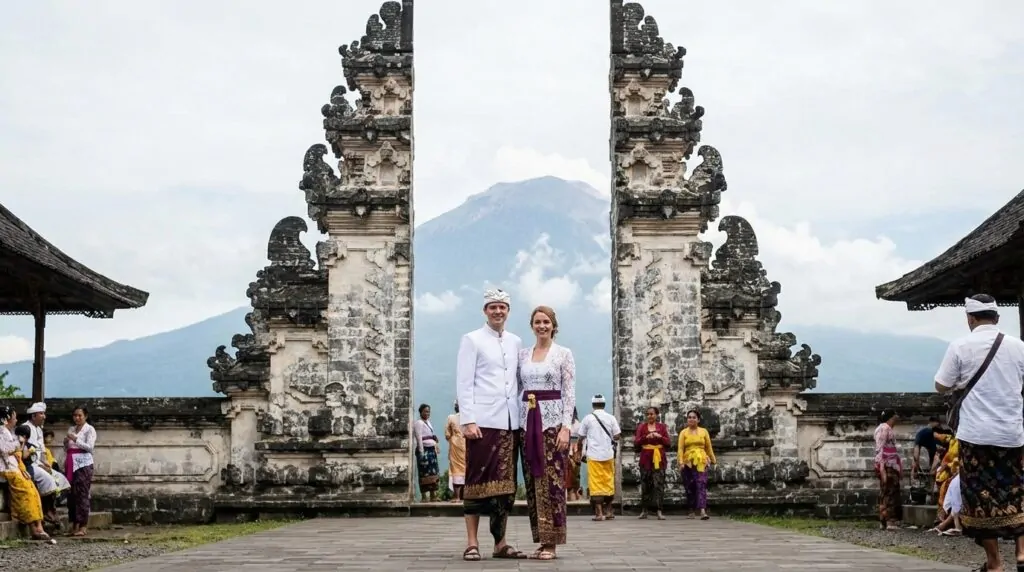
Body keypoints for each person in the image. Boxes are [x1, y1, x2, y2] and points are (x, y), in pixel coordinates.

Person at [934, 295, 1024, 572]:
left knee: (980, 498)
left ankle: (995, 563)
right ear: (997, 318)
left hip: (976, 435)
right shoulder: (1019, 347)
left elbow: (941, 385)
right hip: (1012, 433)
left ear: (970, 318)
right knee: (1017, 491)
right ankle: (1022, 553)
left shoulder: (960, 346)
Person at [455, 288, 527, 561]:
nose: (498, 311)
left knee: (505, 486)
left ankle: (501, 543)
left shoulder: (516, 342)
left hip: (511, 422)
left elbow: (519, 382)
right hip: (482, 423)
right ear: (485, 310)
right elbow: (464, 382)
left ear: (508, 311)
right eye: (493, 307)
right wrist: (468, 419)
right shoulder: (472, 339)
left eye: (503, 307)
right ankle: (472, 542)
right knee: (476, 482)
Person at [518, 305, 576, 560]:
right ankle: (541, 539)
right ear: (532, 326)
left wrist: (566, 428)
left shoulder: (563, 354)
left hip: (552, 424)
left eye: (546, 322)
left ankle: (552, 542)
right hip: (526, 422)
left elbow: (569, 392)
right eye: (537, 322)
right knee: (533, 482)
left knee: (552, 481)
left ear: (554, 325)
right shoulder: (522, 355)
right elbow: (516, 389)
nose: (542, 326)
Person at [0, 406, 51, 540]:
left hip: (16, 467)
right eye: (14, 417)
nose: (16, 420)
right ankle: (34, 528)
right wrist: (19, 443)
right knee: (26, 493)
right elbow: (5, 449)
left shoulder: (9, 433)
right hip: (6, 468)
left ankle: (39, 525)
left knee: (33, 490)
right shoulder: (1, 432)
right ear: (7, 419)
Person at [21, 401, 69, 523]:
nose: (44, 416)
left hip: (39, 463)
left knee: (60, 478)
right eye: (41, 414)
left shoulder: (38, 429)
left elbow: (41, 450)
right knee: (48, 480)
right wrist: (41, 465)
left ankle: (51, 509)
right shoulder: (25, 428)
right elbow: (27, 451)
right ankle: (46, 510)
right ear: (33, 416)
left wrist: (46, 462)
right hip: (30, 464)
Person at [576, 394, 620, 521]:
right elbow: (617, 435)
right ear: (604, 405)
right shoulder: (611, 418)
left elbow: (580, 438)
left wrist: (579, 452)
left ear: (593, 405)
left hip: (594, 455)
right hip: (608, 455)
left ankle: (599, 513)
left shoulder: (588, 419)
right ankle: (609, 510)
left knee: (596, 483)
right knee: (608, 481)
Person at [677, 408, 716, 520]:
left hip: (701, 460)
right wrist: (680, 462)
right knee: (689, 485)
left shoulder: (704, 431)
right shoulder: (683, 432)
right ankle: (691, 510)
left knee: (701, 483)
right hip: (687, 461)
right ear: (687, 419)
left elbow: (708, 447)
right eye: (689, 417)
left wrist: (713, 460)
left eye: (694, 417)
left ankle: (703, 510)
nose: (691, 419)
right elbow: (680, 449)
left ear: (698, 420)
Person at [65, 405, 96, 537]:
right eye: (75, 415)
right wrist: (66, 442)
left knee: (82, 493)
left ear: (85, 416)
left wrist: (75, 439)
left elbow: (90, 447)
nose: (77, 418)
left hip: (83, 463)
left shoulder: (89, 430)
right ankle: (74, 524)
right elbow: (67, 447)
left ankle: (83, 525)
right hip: (71, 461)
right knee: (71, 494)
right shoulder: (72, 429)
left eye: (80, 415)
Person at [633, 406, 670, 520]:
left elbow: (668, 443)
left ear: (657, 415)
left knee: (659, 484)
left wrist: (660, 437)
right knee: (645, 484)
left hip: (658, 457)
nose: (650, 416)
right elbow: (636, 443)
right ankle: (644, 510)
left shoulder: (662, 427)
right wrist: (646, 437)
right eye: (648, 414)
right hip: (646, 458)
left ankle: (659, 510)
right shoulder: (642, 427)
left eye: (652, 414)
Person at [873, 410, 903, 530]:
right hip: (887, 465)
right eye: (895, 415)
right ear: (891, 417)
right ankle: (890, 521)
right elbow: (879, 449)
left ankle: (884, 520)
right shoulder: (884, 428)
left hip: (890, 464)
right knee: (890, 492)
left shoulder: (886, 428)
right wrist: (882, 469)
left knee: (887, 491)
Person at [412, 403, 440, 502]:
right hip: (424, 450)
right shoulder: (418, 423)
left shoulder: (428, 422)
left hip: (431, 449)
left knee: (433, 472)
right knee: (424, 473)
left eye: (428, 411)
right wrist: (421, 452)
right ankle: (424, 496)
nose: (427, 413)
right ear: (421, 412)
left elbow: (430, 434)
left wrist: (434, 440)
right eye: (425, 411)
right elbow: (419, 437)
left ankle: (433, 495)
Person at [444, 401, 466, 502]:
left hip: (455, 445)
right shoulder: (468, 418)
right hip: (466, 443)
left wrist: (451, 439)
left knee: (455, 469)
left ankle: (457, 496)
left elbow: (447, 434)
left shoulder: (451, 417)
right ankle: (465, 495)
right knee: (466, 467)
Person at [911, 416, 942, 482]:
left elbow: (916, 450)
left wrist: (915, 467)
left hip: (936, 452)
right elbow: (916, 451)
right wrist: (915, 467)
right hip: (935, 452)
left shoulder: (922, 433)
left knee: (934, 471)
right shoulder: (925, 433)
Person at [565, 408, 583, 502]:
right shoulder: (578, 424)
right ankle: (574, 494)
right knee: (574, 474)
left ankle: (572, 494)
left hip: (571, 452)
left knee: (570, 474)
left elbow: (575, 440)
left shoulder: (573, 424)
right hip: (575, 453)